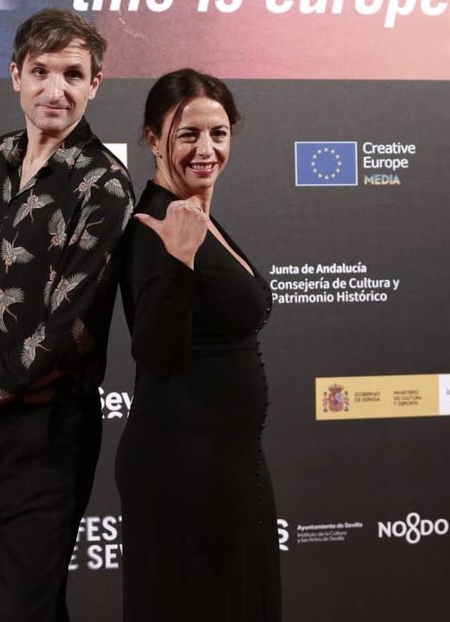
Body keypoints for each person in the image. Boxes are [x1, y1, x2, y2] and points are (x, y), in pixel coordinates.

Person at [0, 8, 133, 622]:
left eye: (73, 74)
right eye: (40, 71)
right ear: (15, 75)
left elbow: (64, 333)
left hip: (46, 435)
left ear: (96, 83)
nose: (55, 89)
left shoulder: (103, 187)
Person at [115, 68, 281, 621]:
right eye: (187, 134)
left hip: (229, 464)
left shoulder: (196, 215)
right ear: (151, 139)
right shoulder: (156, 224)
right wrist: (181, 262)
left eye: (218, 132)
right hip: (183, 468)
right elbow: (157, 354)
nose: (205, 149)